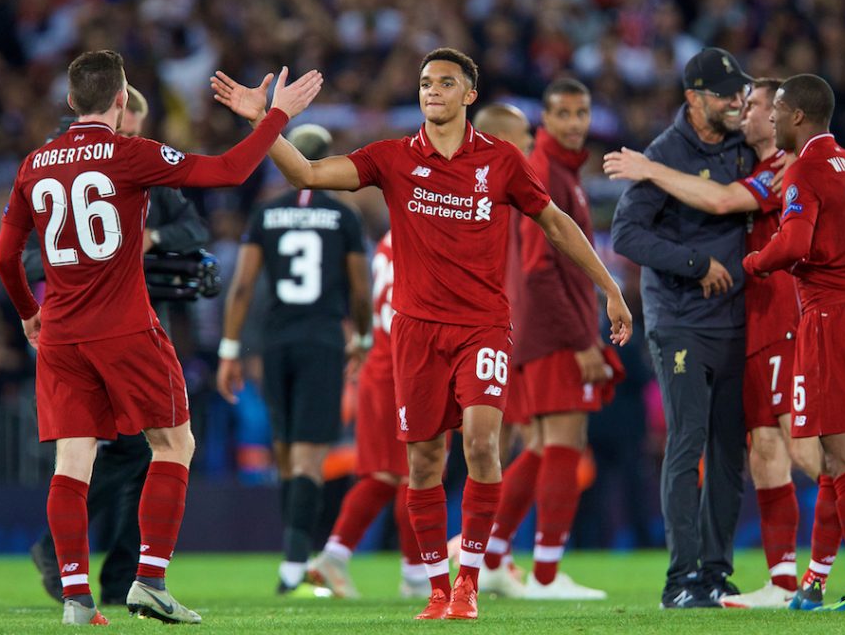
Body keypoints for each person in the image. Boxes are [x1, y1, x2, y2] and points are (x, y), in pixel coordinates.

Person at [210, 47, 632, 621]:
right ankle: (437, 588)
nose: (432, 90)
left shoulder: (503, 160)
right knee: (423, 464)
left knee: (483, 443)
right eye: (426, 82)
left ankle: (469, 585)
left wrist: (609, 287)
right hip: (415, 333)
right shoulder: (392, 158)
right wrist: (266, 121)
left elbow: (555, 224)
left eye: (445, 82)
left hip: (484, 327)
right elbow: (306, 172)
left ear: (469, 94)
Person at [0, 49, 321, 625]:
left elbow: (5, 258)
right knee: (175, 445)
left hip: (63, 335)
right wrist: (273, 117)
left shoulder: (34, 164)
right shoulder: (129, 152)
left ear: (71, 101)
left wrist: (29, 314)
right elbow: (227, 172)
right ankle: (150, 581)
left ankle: (76, 599)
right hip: (126, 329)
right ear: (121, 100)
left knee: (72, 462)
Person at [26, 84, 210, 608]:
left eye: (133, 133)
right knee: (137, 449)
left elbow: (194, 225)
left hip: (139, 324)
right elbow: (33, 257)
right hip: (92, 330)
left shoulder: (142, 165)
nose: (125, 139)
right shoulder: (59, 166)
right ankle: (119, 574)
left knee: (131, 453)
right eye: (123, 128)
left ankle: (107, 580)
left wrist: (152, 240)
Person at [742, 73, 845, 611]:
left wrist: (756, 262)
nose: (771, 117)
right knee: (836, 459)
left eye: (778, 108)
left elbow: (793, 243)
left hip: (831, 316)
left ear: (799, 117)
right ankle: (813, 582)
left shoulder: (805, 169)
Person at [610, 47, 753, 609]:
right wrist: (695, 265)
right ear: (694, 99)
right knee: (687, 443)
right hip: (681, 322)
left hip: (735, 319)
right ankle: (681, 580)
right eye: (725, 94)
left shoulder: (746, 148)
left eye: (740, 92)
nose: (737, 102)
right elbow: (626, 235)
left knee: (727, 451)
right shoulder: (663, 154)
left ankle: (716, 572)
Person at [215, 123, 371, 597]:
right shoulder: (342, 216)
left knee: (284, 453)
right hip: (321, 340)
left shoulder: (266, 213)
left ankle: (292, 559)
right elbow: (360, 288)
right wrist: (362, 335)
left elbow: (242, 286)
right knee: (309, 459)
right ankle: (294, 568)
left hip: (274, 343)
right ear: (325, 159)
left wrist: (230, 348)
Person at [477, 81, 617, 601]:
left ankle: (490, 556)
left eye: (582, 112)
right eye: (563, 113)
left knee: (538, 444)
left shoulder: (559, 173)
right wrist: (583, 338)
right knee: (564, 441)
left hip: (528, 328)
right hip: (553, 331)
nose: (575, 123)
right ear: (545, 123)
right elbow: (540, 269)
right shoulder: (544, 174)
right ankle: (545, 574)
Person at [305, 230, 429, 599]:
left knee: (385, 475)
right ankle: (416, 577)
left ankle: (334, 555)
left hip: (379, 363)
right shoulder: (422, 233)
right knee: (417, 473)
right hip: (406, 366)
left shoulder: (390, 239)